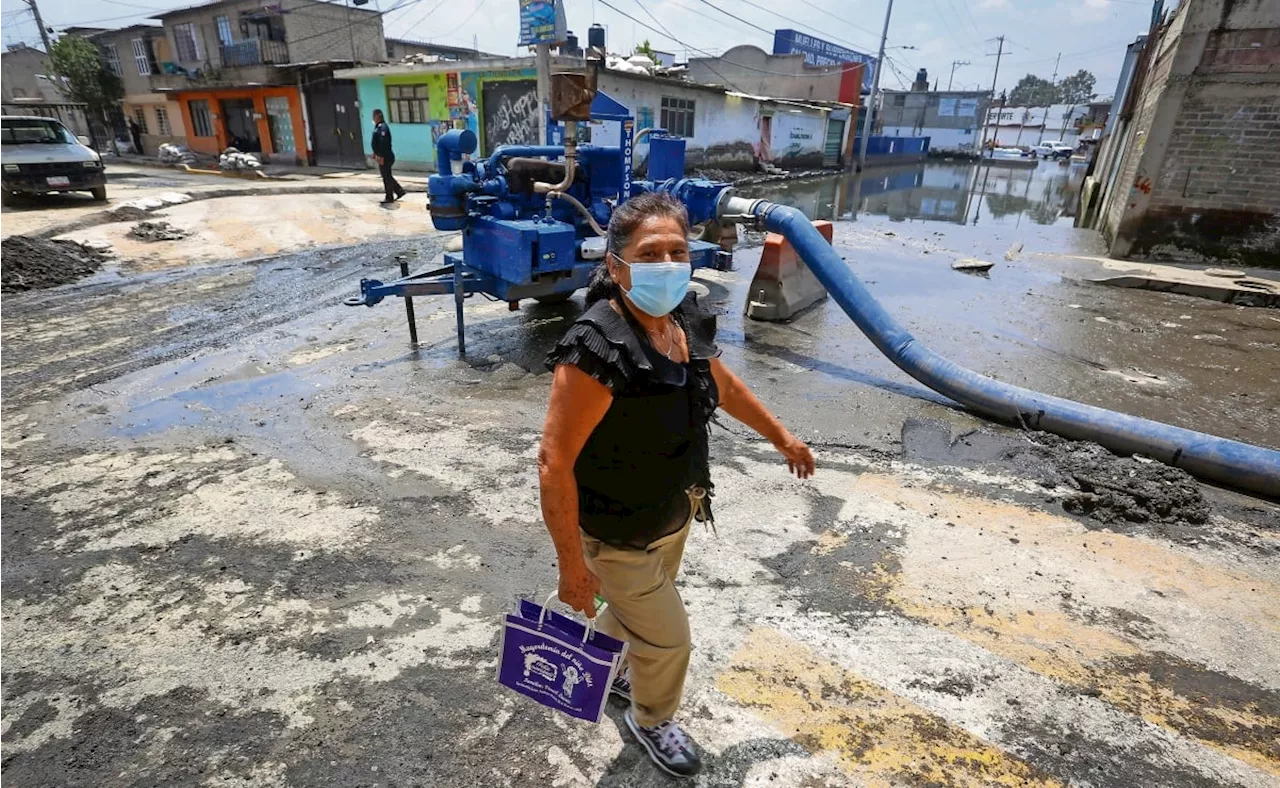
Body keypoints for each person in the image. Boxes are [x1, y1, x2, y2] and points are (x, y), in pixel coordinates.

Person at [538, 192, 815, 778]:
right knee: (669, 641)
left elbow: (722, 382)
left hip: (675, 512)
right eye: (649, 253)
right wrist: (571, 568)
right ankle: (653, 716)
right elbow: (553, 462)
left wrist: (782, 437)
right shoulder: (597, 345)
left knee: (636, 611)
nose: (666, 264)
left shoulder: (683, 317)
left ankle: (609, 669)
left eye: (676, 251)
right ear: (616, 265)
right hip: (618, 531)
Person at [370, 109, 406, 204]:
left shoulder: (383, 128)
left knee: (386, 177)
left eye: (374, 116)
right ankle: (399, 191)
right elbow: (377, 143)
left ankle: (389, 197)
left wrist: (380, 156)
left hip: (386, 157)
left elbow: (383, 143)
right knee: (387, 175)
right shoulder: (378, 127)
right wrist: (375, 153)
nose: (373, 119)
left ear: (377, 116)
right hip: (382, 156)